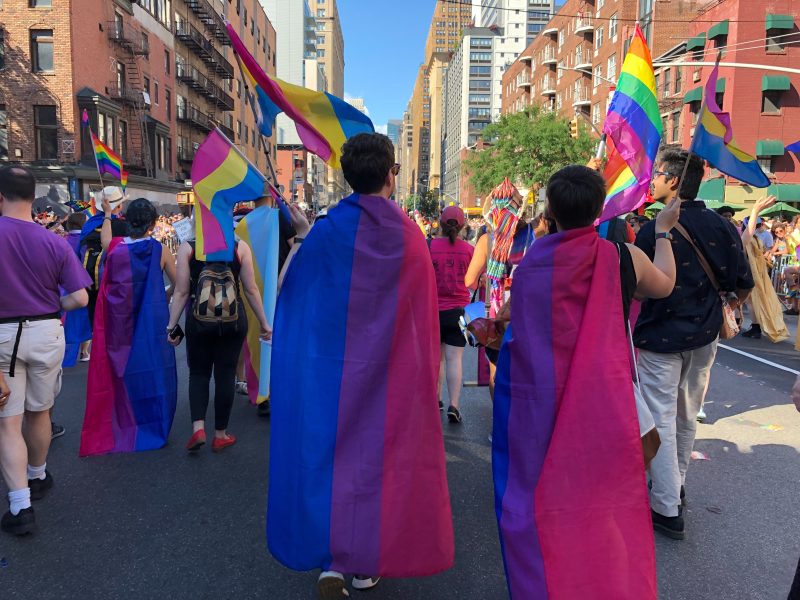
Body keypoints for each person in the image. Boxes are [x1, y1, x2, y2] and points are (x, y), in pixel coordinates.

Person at [268, 133, 454, 600]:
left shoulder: (327, 231)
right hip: (390, 373)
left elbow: (294, 296)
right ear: (391, 175)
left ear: (348, 176)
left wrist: (303, 240)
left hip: (332, 370)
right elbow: (421, 315)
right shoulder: (410, 234)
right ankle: (363, 564)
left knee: (330, 458)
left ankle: (331, 558)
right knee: (376, 462)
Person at [492, 165, 680, 599]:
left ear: (551, 211)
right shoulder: (622, 258)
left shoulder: (533, 263)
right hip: (606, 406)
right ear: (599, 209)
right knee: (605, 507)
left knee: (546, 505)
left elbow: (521, 330)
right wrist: (664, 232)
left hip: (543, 408)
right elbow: (665, 286)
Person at [634, 148, 754, 540]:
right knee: (685, 417)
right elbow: (743, 283)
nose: (651, 181)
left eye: (656, 176)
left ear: (672, 180)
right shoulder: (723, 227)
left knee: (665, 419)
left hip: (660, 338)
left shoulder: (655, 229)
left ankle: (667, 507)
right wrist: (721, 307)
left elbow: (639, 289)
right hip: (705, 340)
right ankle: (674, 486)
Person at [0, 166, 90, 535]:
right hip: (46, 331)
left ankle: (20, 506)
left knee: (7, 422)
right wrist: (52, 307)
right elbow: (81, 297)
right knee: (40, 412)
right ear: (33, 196)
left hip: (3, 335)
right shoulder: (53, 241)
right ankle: (37, 475)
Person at [80, 198, 179, 456]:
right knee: (152, 369)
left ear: (129, 221)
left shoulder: (115, 248)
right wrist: (164, 294)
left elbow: (104, 240)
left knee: (120, 370)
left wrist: (109, 213)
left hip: (119, 321)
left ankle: (123, 420)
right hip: (151, 320)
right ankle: (152, 423)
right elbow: (180, 284)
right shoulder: (159, 250)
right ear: (154, 223)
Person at [166, 217, 272, 453]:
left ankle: (198, 429)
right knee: (225, 374)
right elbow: (251, 288)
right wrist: (264, 322)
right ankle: (221, 434)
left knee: (199, 373)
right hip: (233, 319)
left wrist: (172, 325)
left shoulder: (189, 246)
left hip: (198, 319)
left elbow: (182, 291)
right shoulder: (239, 246)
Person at [430, 206, 474, 424]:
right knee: (454, 359)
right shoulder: (468, 249)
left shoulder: (429, 246)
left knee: (436, 359)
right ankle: (454, 405)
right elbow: (473, 280)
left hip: (433, 310)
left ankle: (436, 400)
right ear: (463, 224)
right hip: (459, 311)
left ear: (439, 222)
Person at [739, 198, 789, 342]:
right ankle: (747, 324)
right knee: (751, 301)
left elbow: (746, 253)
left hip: (751, 273)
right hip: (757, 274)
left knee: (752, 302)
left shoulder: (752, 239)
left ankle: (755, 327)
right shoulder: (757, 239)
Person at [79, 186, 131, 324]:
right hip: (112, 282)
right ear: (119, 206)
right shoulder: (122, 226)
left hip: (87, 282)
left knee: (96, 324)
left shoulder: (89, 224)